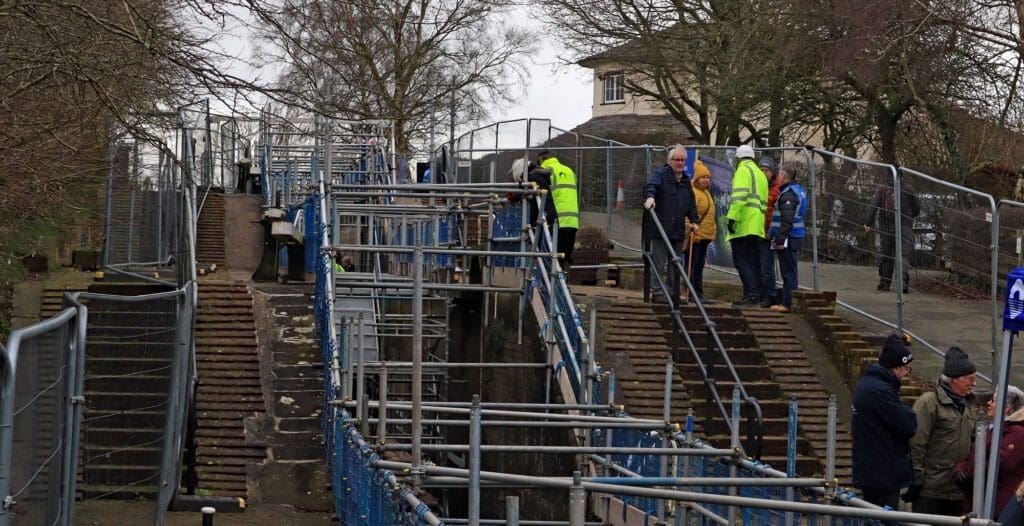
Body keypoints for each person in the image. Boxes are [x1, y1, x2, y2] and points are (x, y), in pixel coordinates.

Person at [907, 346, 978, 514]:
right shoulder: (929, 403)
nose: (974, 383)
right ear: (955, 379)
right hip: (931, 491)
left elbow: (973, 441)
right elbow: (916, 443)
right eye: (970, 379)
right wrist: (917, 479)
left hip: (958, 490)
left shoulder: (969, 405)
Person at [851, 333, 917, 509]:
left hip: (874, 470)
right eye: (907, 369)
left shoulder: (870, 385)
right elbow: (908, 424)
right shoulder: (880, 392)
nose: (907, 374)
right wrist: (907, 411)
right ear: (897, 368)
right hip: (882, 473)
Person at [953, 386, 1024, 518]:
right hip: (983, 502)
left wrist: (967, 475)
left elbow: (1000, 463)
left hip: (998, 507)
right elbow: (973, 454)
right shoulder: (994, 429)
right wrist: (959, 470)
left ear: (1006, 407)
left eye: (993, 401)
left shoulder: (1017, 433)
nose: (989, 404)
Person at [643, 145, 700, 304]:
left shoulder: (686, 181)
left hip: (678, 229)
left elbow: (690, 203)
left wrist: (694, 220)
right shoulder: (660, 174)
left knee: (676, 262)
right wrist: (650, 197)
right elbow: (650, 186)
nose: (680, 163)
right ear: (670, 161)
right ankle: (657, 291)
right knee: (659, 261)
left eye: (683, 160)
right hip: (661, 227)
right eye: (677, 160)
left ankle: (672, 291)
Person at [726, 145, 768, 306]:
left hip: (743, 223)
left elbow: (739, 197)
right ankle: (756, 294)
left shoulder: (742, 171)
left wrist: (732, 219)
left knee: (741, 260)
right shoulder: (760, 174)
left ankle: (750, 294)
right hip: (757, 224)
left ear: (738, 158)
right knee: (753, 261)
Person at [863, 178, 921, 292]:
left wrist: (868, 222)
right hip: (904, 226)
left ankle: (884, 284)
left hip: (886, 226)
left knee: (887, 255)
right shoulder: (908, 189)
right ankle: (902, 285)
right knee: (903, 255)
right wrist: (909, 216)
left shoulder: (882, 189)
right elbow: (917, 209)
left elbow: (874, 205)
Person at [768, 163, 807, 313]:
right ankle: (789, 301)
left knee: (787, 271)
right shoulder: (798, 190)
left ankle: (786, 303)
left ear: (784, 176)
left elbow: (787, 220)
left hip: (789, 237)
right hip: (794, 236)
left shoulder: (788, 194)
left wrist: (779, 239)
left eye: (779, 175)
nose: (778, 177)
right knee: (790, 270)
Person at [538, 150, 579, 268]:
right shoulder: (569, 170)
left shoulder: (545, 170)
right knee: (565, 256)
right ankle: (564, 283)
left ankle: (552, 285)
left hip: (557, 220)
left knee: (551, 257)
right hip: (572, 221)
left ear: (541, 160)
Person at [684, 160, 716, 303]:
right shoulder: (693, 193)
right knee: (693, 265)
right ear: (697, 178)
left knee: (699, 266)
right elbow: (687, 214)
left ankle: (698, 293)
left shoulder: (707, 193)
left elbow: (710, 215)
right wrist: (690, 229)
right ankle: (691, 293)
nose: (706, 180)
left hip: (705, 236)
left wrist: (713, 231)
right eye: (703, 177)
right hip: (695, 236)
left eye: (708, 178)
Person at [508, 157, 557, 229]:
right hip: (546, 215)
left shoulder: (533, 177)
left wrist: (513, 196)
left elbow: (524, 189)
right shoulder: (537, 175)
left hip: (544, 217)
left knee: (539, 237)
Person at [758, 156, 781, 308]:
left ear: (773, 173)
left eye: (766, 170)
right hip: (757, 231)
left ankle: (770, 295)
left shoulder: (777, 189)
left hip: (768, 233)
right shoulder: (758, 186)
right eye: (761, 170)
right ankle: (761, 293)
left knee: (767, 267)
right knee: (759, 265)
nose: (763, 173)